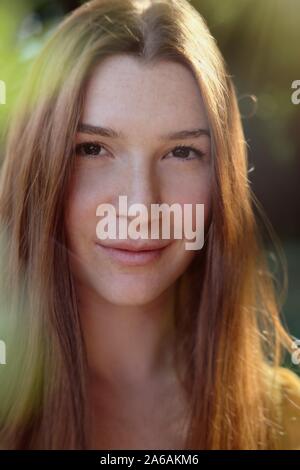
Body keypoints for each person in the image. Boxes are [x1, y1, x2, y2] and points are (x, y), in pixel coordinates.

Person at [0, 0, 299, 450]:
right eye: (92, 149)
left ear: (223, 182)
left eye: (182, 153)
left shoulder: (287, 419)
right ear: (38, 168)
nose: (141, 206)